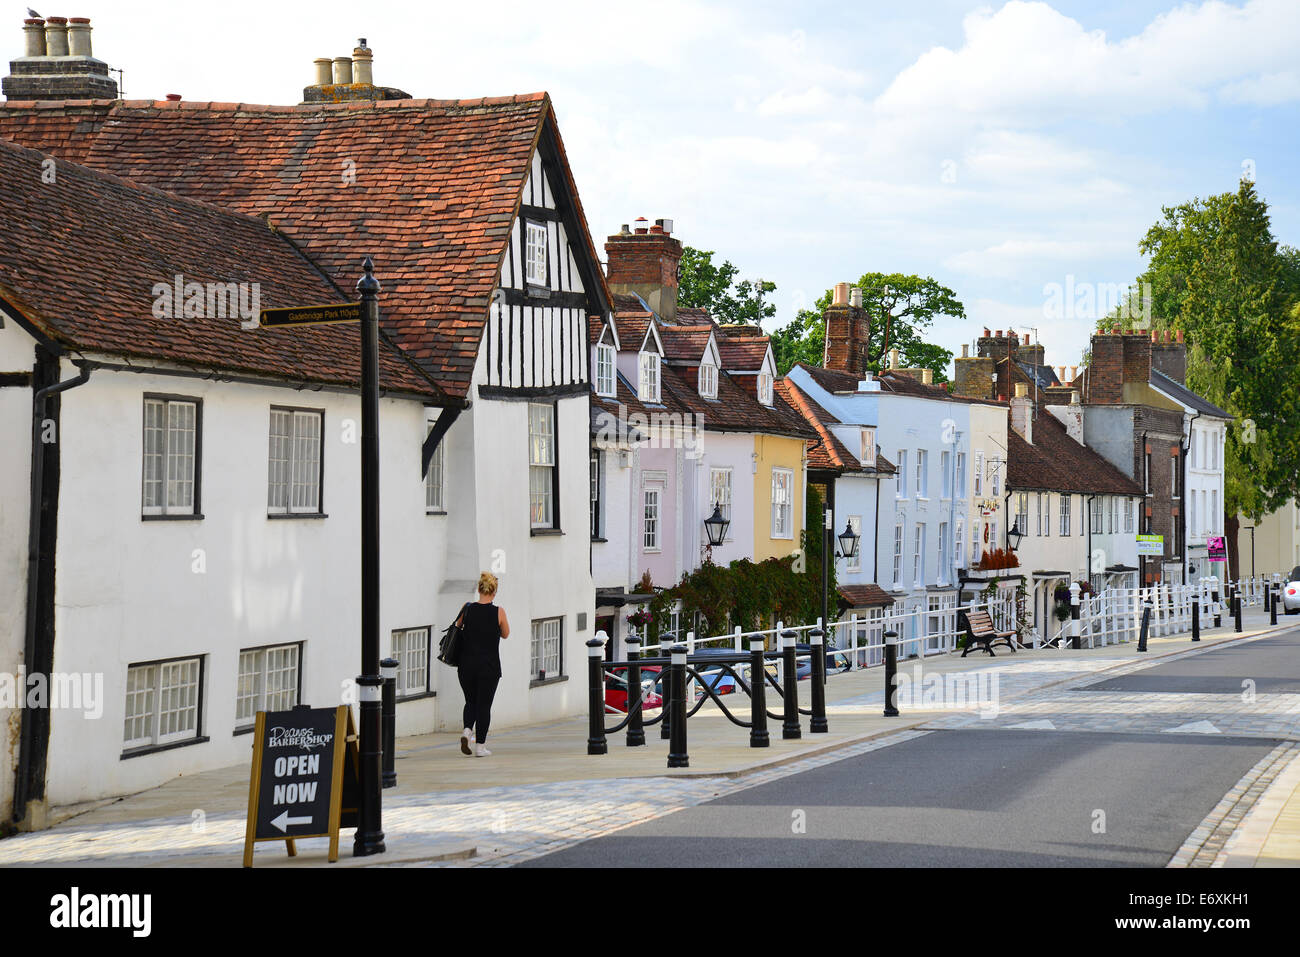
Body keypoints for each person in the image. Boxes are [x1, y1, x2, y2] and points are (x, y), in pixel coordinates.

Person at [458, 571, 509, 757]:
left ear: (479, 589)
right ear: (494, 592)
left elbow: (457, 628)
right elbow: (505, 633)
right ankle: (480, 747)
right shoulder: (498, 612)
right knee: (484, 706)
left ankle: (466, 731)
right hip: (488, 667)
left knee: (470, 701)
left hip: (466, 666)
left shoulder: (467, 608)